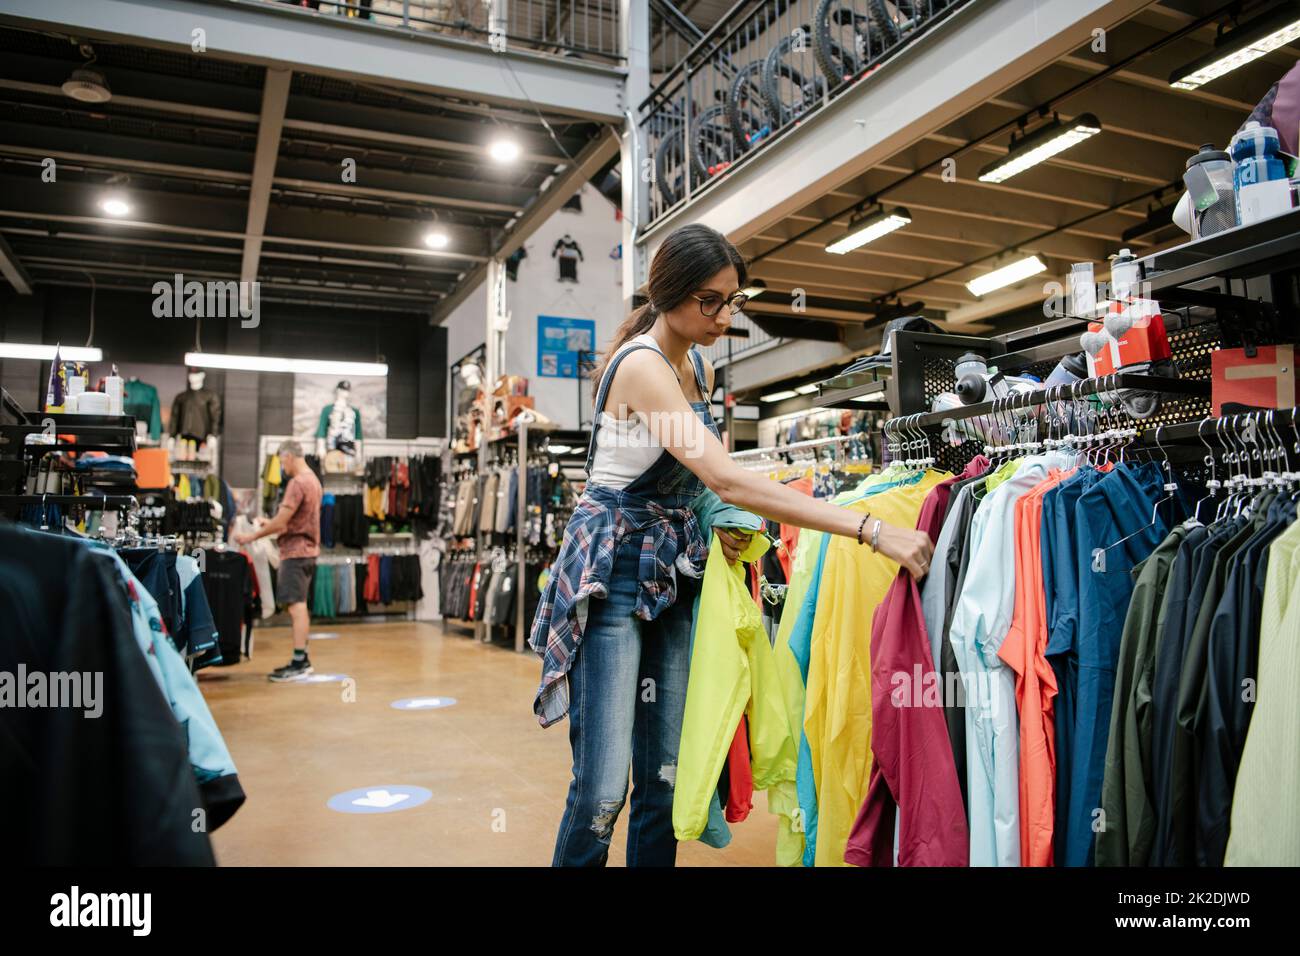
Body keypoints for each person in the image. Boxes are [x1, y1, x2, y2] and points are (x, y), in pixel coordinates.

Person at [529, 223, 934, 867]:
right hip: (615, 572)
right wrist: (868, 527)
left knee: (666, 775)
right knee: (603, 789)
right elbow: (722, 474)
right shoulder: (641, 366)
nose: (723, 316)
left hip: (675, 569)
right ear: (669, 294)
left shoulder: (698, 365)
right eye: (709, 301)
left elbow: (708, 481)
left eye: (732, 300)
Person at [236, 440, 323, 682]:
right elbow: (294, 518)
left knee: (296, 607)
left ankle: (299, 662)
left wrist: (251, 536)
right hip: (306, 550)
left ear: (290, 456)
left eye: (282, 461)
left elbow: (283, 522)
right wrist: (271, 523)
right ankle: (301, 658)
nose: (282, 467)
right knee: (299, 605)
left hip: (295, 552)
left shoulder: (298, 483)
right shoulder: (313, 480)